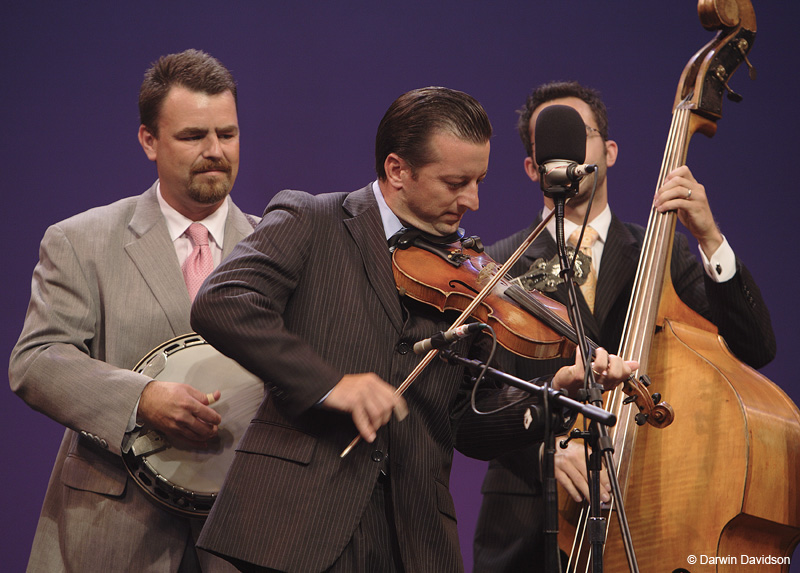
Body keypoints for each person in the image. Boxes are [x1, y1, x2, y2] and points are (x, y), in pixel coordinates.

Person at [188, 86, 637, 573]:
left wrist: (549, 395)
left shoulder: (470, 275)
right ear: (397, 170)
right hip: (298, 524)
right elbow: (222, 301)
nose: (474, 200)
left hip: (414, 540)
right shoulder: (313, 220)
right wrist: (330, 385)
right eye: (455, 182)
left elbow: (467, 424)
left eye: (480, 180)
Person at [472, 80, 776, 572]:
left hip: (649, 513)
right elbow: (476, 403)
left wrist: (710, 236)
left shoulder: (664, 255)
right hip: (526, 532)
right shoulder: (495, 268)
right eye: (550, 145)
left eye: (580, 136)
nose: (566, 154)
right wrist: (544, 448)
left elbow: (756, 346)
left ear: (609, 151)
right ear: (532, 167)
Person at [9, 49, 258, 572]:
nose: (215, 151)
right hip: (113, 533)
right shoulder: (82, 240)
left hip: (239, 537)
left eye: (227, 134)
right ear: (150, 140)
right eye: (193, 136)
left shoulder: (277, 248)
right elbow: (36, 360)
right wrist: (140, 398)